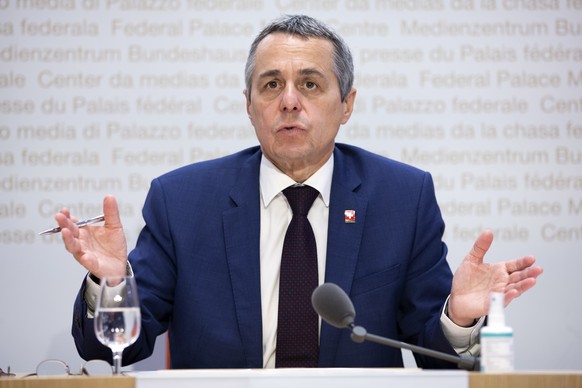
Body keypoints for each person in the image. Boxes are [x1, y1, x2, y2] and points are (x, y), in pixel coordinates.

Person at [55, 14, 542, 369]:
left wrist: (458, 317)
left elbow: (438, 358)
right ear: (249, 105)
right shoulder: (182, 201)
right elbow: (111, 351)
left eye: (310, 84)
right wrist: (114, 285)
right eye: (271, 85)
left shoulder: (402, 198)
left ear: (346, 104)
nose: (289, 101)